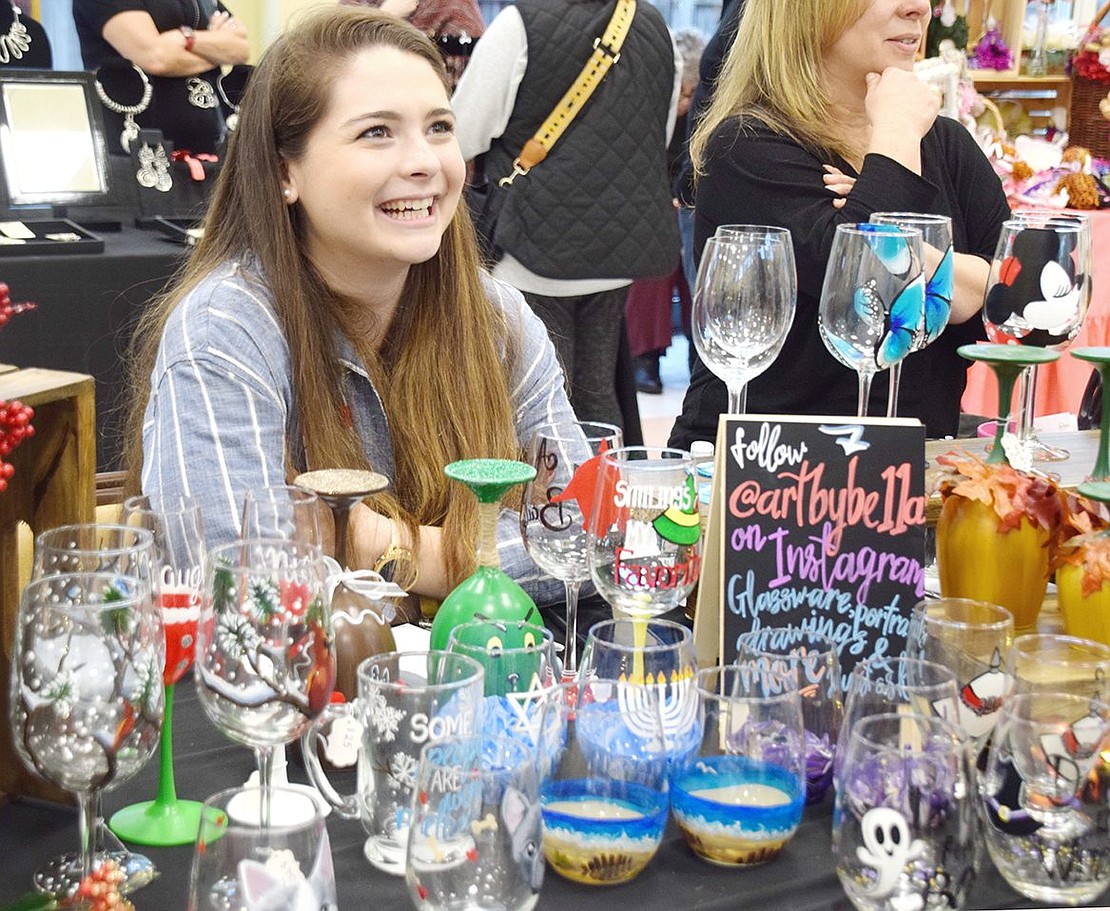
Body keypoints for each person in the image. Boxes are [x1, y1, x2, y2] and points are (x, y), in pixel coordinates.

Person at [122, 7, 576, 609]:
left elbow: (584, 538)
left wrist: (375, 542)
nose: (424, 162)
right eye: (376, 132)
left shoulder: (500, 320)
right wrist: (479, 560)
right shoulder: (226, 331)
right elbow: (246, 590)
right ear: (286, 172)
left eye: (439, 127)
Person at [669, 0, 1010, 448]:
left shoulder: (947, 146)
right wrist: (897, 137)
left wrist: (913, 254)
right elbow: (871, 303)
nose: (919, 8)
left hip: (914, 468)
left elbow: (1018, 302)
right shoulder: (746, 147)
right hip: (769, 474)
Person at [452, 0, 683, 433]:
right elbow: (659, 139)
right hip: (622, 249)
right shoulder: (655, 25)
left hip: (533, 243)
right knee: (597, 391)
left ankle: (538, 502)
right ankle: (599, 498)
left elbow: (461, 133)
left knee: (532, 396)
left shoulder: (519, 25)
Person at [626, 26, 705, 395]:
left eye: (694, 91)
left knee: (697, 254)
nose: (687, 101)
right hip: (650, 204)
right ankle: (647, 357)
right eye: (682, 91)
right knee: (652, 266)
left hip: (689, 203)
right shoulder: (642, 110)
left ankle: (698, 351)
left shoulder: (705, 112)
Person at [73, 0, 249, 156]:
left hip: (212, 149)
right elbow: (155, 57)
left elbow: (240, 48)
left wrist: (185, 39)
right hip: (141, 152)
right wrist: (216, 49)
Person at [340, 0, 484, 88]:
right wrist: (386, 15)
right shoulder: (354, 5)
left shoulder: (455, 5)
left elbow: (473, 76)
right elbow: (336, 56)